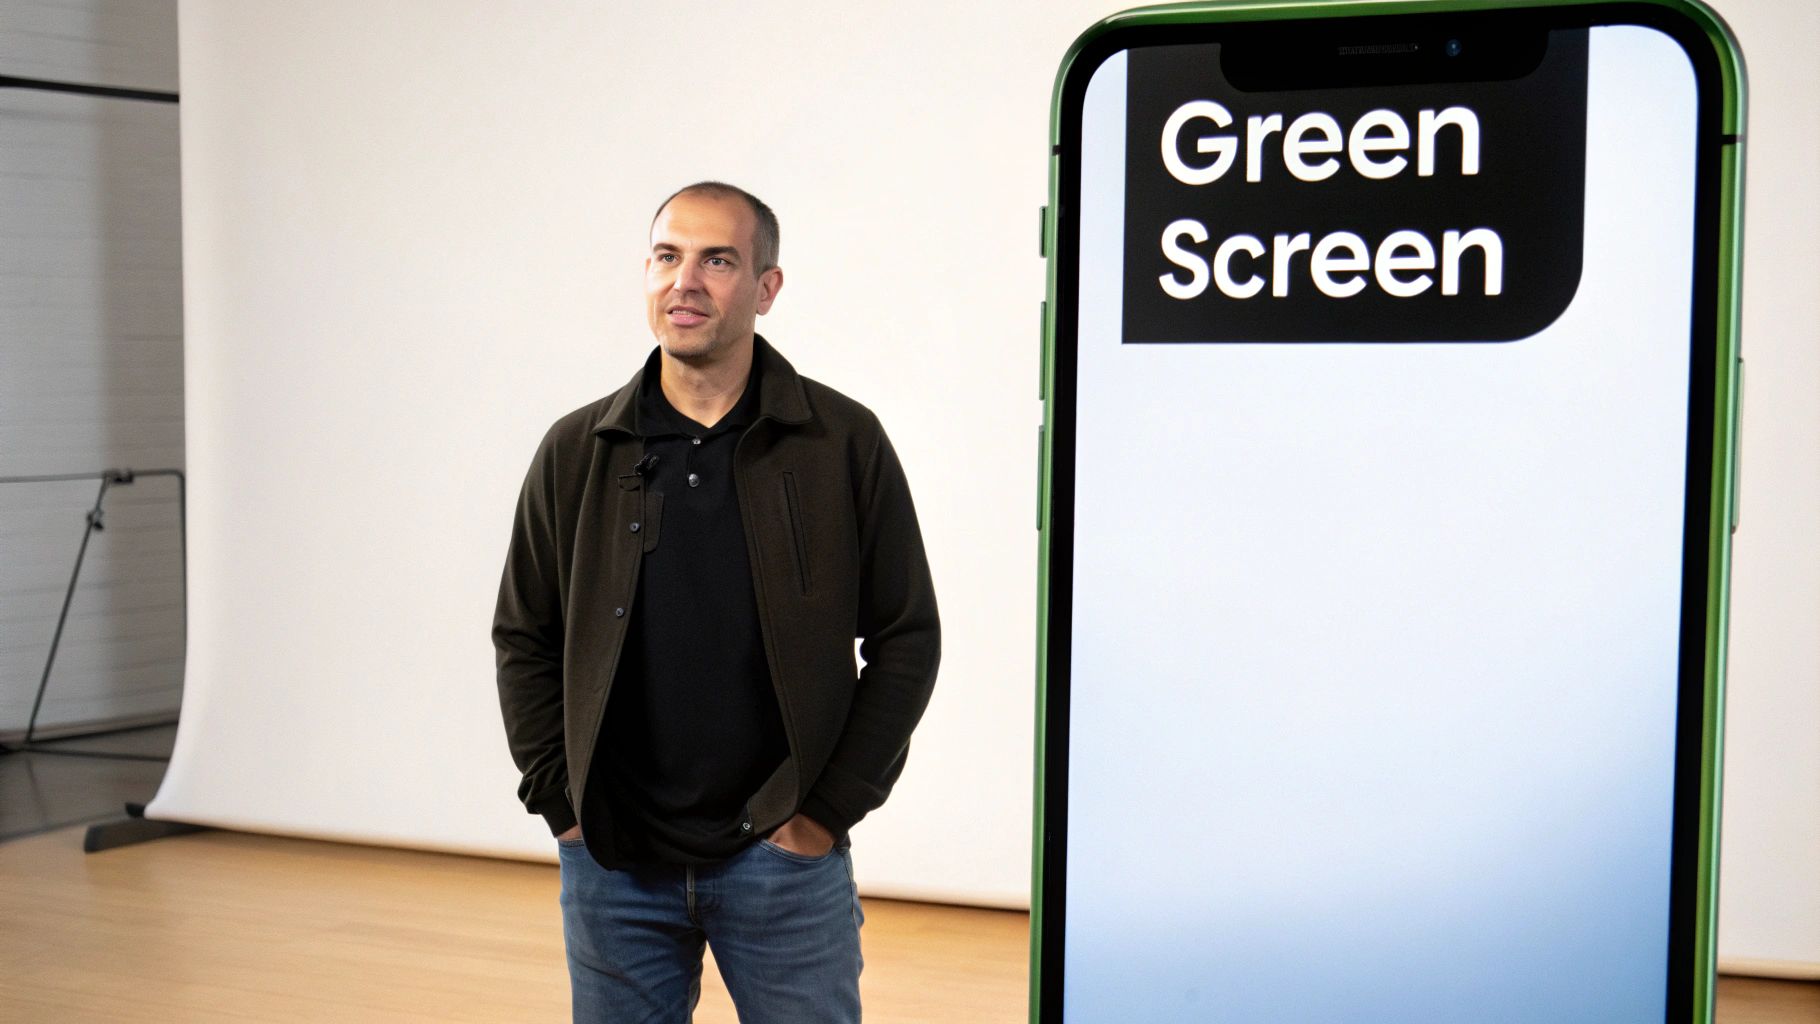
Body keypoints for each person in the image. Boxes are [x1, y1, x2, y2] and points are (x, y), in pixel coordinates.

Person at [492, 180, 941, 1023]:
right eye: (667, 256)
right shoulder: (578, 450)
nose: (684, 282)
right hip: (615, 861)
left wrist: (825, 813)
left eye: (718, 261)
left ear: (767, 288)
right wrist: (561, 802)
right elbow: (525, 635)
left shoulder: (841, 443)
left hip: (781, 860)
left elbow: (907, 636)